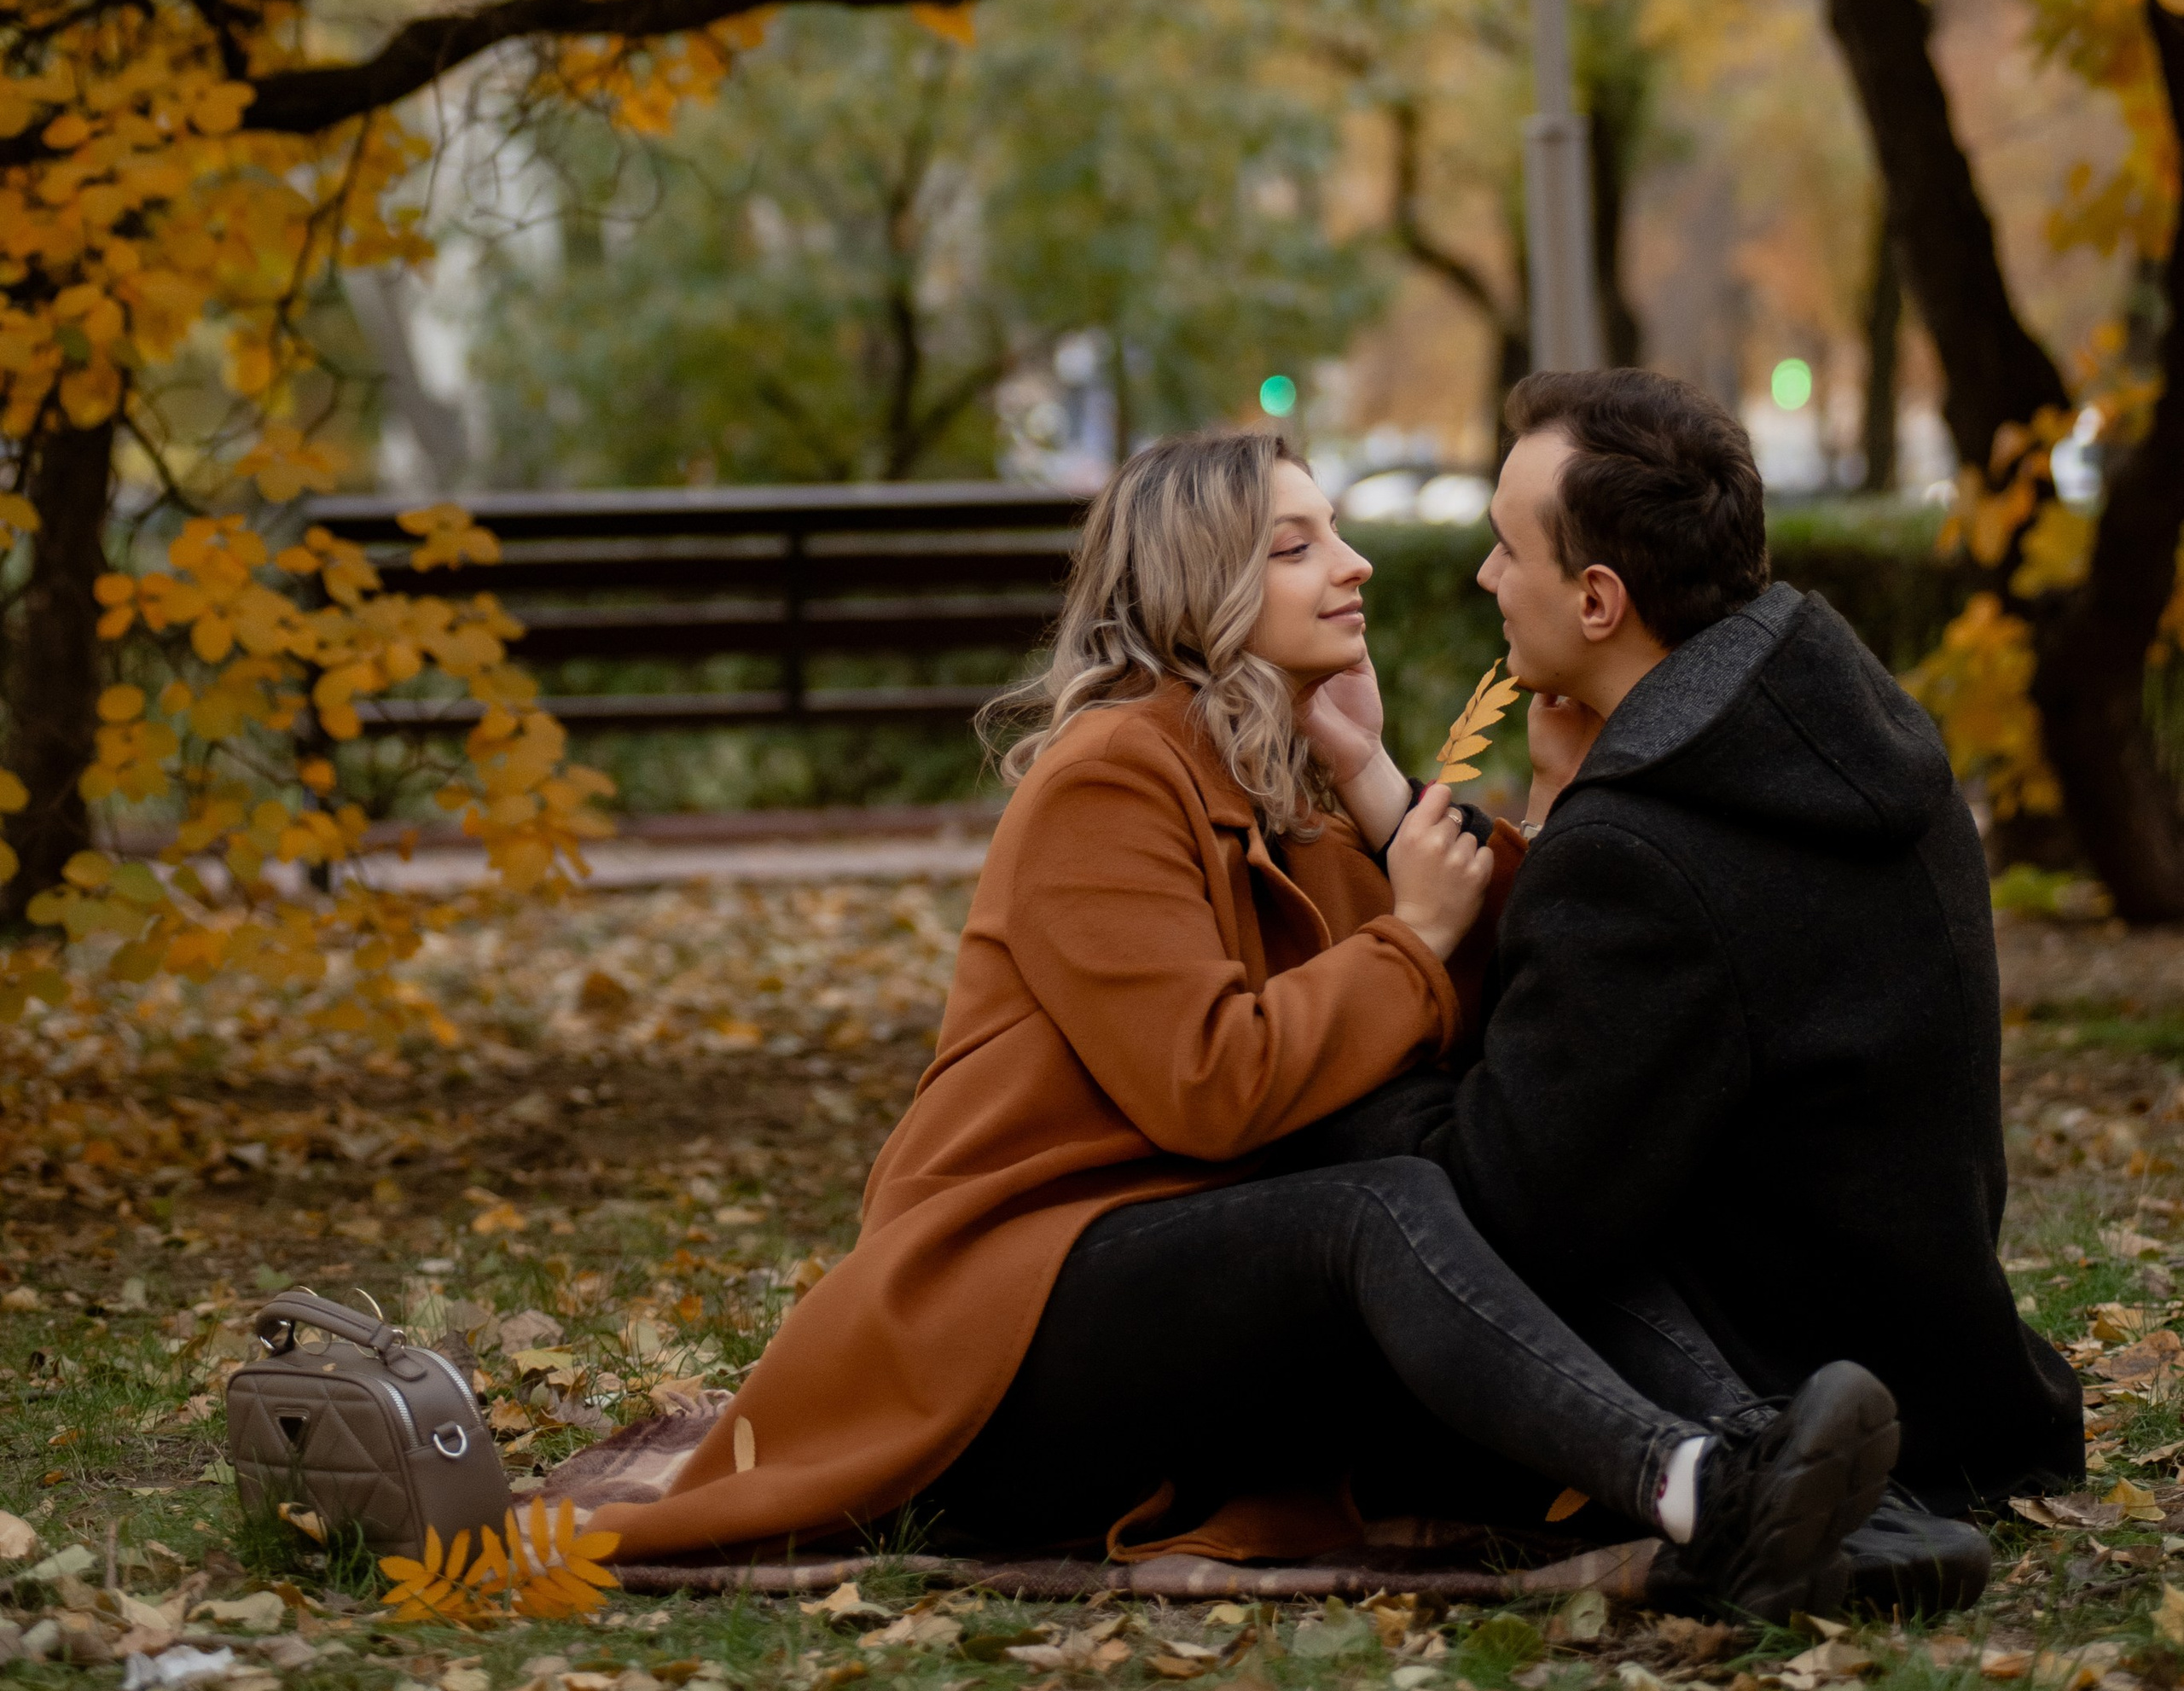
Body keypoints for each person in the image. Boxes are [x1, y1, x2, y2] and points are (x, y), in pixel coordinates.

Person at [585, 427, 1898, 1612]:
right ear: (1197, 585)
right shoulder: (1107, 778)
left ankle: (1788, 1477)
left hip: (1176, 1306)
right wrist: (1408, 936)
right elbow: (1209, 1083)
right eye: (1296, 544)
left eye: (1337, 530)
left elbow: (1496, 1010)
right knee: (1376, 1207)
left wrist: (1372, 775)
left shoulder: (1287, 783)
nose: (1356, 563)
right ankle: (1692, 1485)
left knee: (1512, 1178)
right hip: (999, 1342)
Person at [1292, 369, 2082, 1602]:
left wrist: (1334, 1050)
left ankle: (1795, 1515)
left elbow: (1509, 1210)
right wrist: (1542, 807)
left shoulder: (1644, 851)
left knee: (1368, 1188)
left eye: (1507, 548)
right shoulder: (1829, 727)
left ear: (1598, 598)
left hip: (1798, 1402)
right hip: (1938, 1352)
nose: (1486, 577)